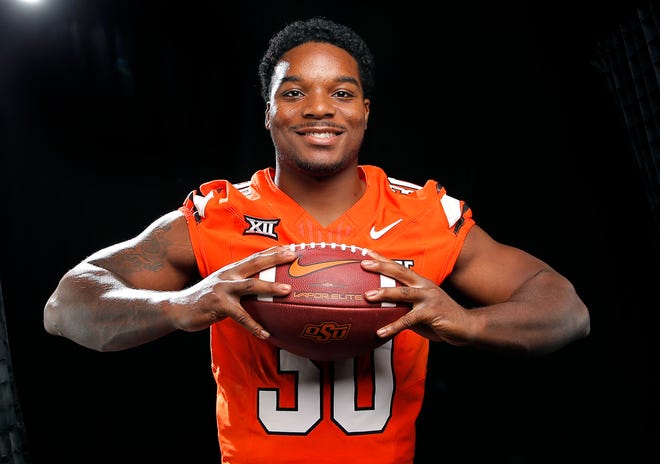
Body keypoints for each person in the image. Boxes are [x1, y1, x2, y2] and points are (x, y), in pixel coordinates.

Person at [43, 16, 590, 464]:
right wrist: (180, 304)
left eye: (342, 92)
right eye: (295, 91)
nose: (320, 108)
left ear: (365, 112)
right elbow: (65, 304)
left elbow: (567, 310)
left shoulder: (424, 214)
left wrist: (470, 323)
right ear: (268, 112)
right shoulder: (219, 215)